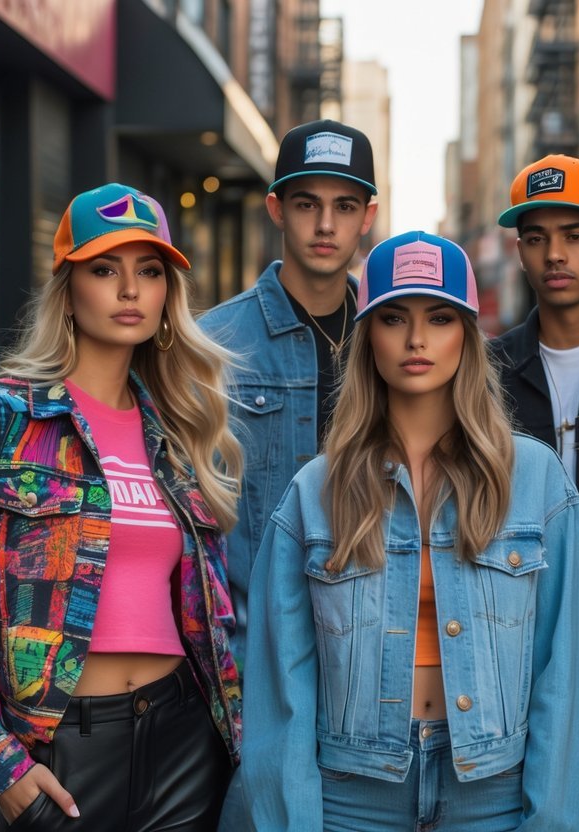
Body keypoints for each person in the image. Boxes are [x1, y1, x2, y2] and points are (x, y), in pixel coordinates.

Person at [0, 183, 243, 830]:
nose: (129, 290)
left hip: (185, 744)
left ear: (168, 297)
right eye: (105, 269)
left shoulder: (179, 433)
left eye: (149, 272)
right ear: (68, 289)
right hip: (64, 758)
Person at [241, 231, 579, 830]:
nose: (416, 339)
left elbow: (562, 680)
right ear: (368, 336)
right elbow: (283, 699)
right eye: (393, 318)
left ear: (467, 335)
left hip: (492, 796)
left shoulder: (535, 480)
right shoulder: (315, 491)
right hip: (351, 798)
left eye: (439, 317)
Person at [201, 118, 378, 671]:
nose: (326, 225)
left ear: (367, 217)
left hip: (371, 656)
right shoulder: (214, 345)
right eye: (307, 204)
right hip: (256, 658)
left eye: (345, 207)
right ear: (277, 208)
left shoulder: (394, 340)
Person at [491, 154, 579, 536]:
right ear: (521, 252)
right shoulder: (487, 371)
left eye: (575, 236)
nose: (554, 254)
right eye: (537, 238)